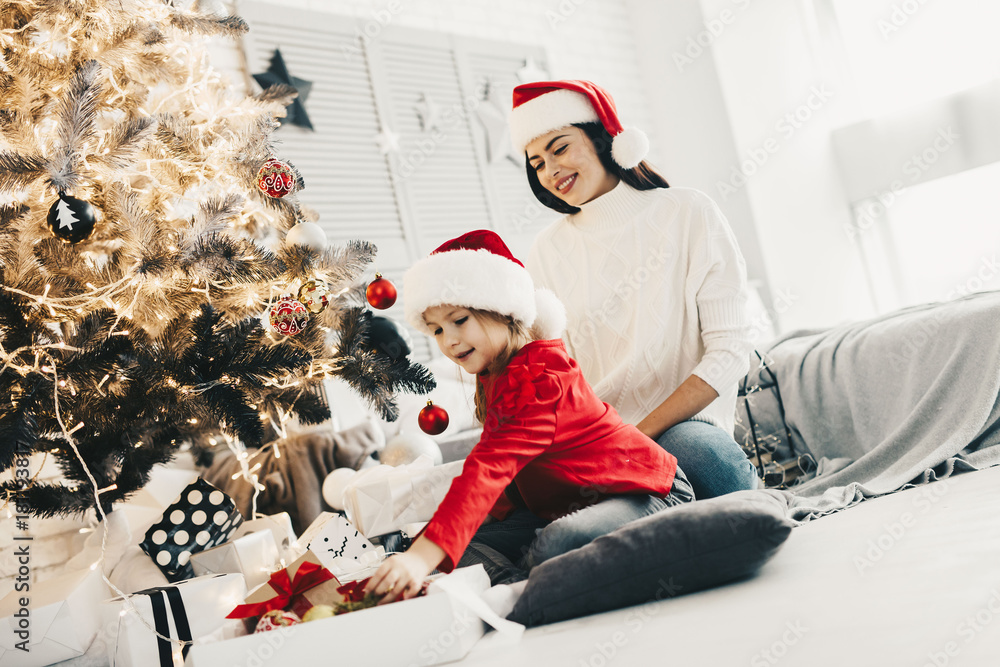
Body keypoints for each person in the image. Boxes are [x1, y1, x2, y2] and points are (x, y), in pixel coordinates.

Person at [365, 229, 694, 601]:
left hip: (645, 492)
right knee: (450, 548)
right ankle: (520, 581)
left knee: (557, 541)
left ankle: (525, 592)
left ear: (503, 312)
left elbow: (489, 466)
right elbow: (509, 467)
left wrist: (421, 559)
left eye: (459, 320)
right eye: (437, 330)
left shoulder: (540, 376)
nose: (448, 340)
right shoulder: (493, 371)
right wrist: (426, 550)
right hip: (563, 506)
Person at [510, 80, 758, 500]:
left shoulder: (687, 212)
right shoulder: (547, 250)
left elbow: (730, 353)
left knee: (710, 464)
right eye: (536, 163)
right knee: (513, 498)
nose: (550, 170)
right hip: (596, 439)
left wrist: (637, 435)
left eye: (560, 148)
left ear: (603, 141)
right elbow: (549, 371)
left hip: (685, 430)